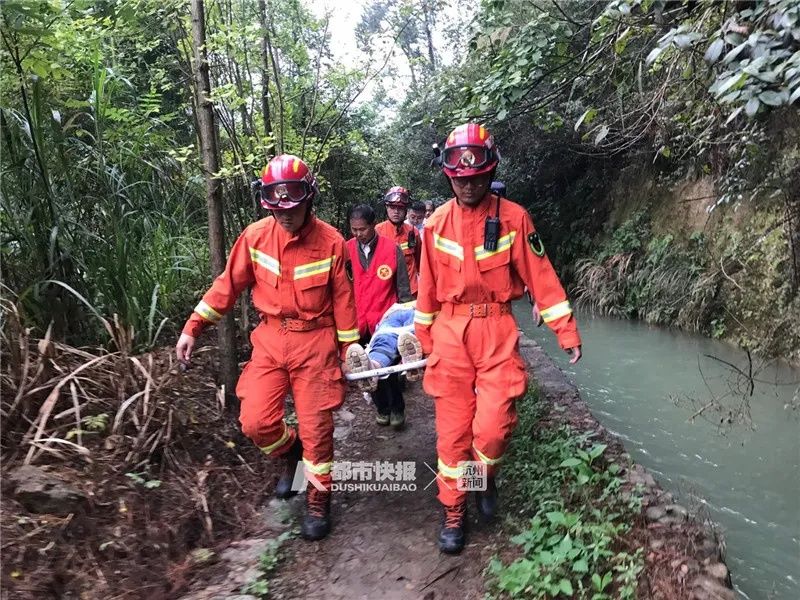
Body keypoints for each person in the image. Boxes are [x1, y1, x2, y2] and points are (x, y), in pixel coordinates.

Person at [414, 123, 583, 554]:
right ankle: (454, 512)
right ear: (449, 177)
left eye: (477, 178)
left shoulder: (514, 218)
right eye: (460, 179)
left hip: (496, 332)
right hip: (450, 333)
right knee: (453, 435)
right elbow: (427, 291)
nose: (468, 186)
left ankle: (484, 478)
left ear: (490, 173)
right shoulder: (434, 225)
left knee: (490, 433)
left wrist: (565, 329)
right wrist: (425, 342)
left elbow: (540, 277)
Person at [175, 154, 359, 542]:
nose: (286, 216)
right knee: (256, 421)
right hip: (271, 340)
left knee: (317, 429)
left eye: (292, 207)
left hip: (315, 342)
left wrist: (349, 351)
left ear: (310, 199)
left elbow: (343, 301)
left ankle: (317, 496)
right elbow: (227, 286)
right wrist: (194, 326)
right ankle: (291, 454)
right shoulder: (255, 236)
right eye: (277, 209)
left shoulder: (331, 242)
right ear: (268, 204)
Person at [347, 204, 414, 428]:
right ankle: (381, 408)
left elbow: (403, 288)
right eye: (354, 229)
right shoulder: (346, 250)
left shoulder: (391, 249)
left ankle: (397, 410)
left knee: (389, 370)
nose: (358, 234)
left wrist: (405, 318)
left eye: (362, 229)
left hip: (386, 320)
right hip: (359, 321)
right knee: (367, 369)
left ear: (373, 225)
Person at [345, 302, 424, 391]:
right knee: (385, 339)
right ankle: (373, 365)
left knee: (408, 334)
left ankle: (410, 359)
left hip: (418, 310)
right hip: (397, 311)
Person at [375, 186, 420, 296]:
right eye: (392, 207)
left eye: (400, 208)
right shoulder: (377, 232)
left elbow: (421, 262)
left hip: (411, 291)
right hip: (385, 291)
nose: (396, 211)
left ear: (406, 210)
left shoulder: (413, 232)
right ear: (386, 207)